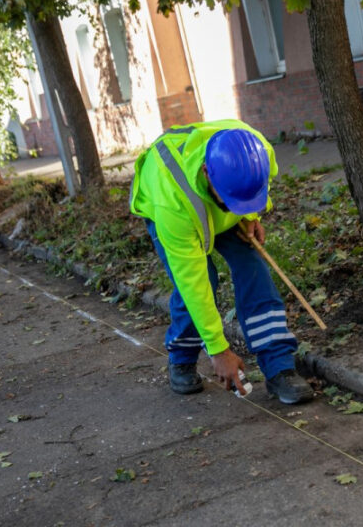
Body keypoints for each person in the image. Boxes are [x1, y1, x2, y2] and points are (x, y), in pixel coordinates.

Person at [130, 120, 314, 404]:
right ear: (207, 173)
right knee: (204, 279)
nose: (237, 209)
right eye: (233, 203)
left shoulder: (258, 151)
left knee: (253, 268)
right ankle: (181, 358)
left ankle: (280, 368)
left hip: (216, 198)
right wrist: (218, 351)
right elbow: (194, 284)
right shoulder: (173, 203)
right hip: (176, 208)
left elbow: (254, 189)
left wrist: (251, 215)